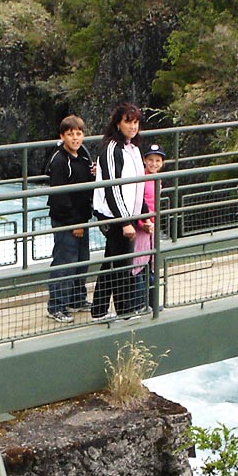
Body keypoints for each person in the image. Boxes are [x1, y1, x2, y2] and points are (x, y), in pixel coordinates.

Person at [91, 102, 148, 320]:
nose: (133, 127)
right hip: (114, 215)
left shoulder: (132, 148)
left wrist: (142, 214)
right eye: (128, 122)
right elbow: (112, 187)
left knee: (113, 261)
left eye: (135, 122)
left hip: (129, 214)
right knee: (121, 263)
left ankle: (100, 310)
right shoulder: (112, 150)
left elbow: (137, 186)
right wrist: (125, 221)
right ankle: (123, 311)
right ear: (118, 123)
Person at [44, 115, 95, 323]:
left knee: (82, 260)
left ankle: (76, 299)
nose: (75, 138)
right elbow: (60, 196)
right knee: (65, 262)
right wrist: (74, 222)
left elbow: (86, 182)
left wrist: (94, 173)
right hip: (67, 219)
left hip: (82, 216)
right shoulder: (59, 161)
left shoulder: (83, 155)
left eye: (78, 133)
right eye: (70, 134)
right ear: (62, 136)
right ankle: (56, 305)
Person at [130, 143, 165, 313]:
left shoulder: (157, 179)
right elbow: (137, 203)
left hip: (152, 226)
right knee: (139, 264)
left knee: (151, 263)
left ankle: (152, 301)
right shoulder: (141, 179)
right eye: (150, 160)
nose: (153, 163)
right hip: (143, 227)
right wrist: (142, 223)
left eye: (157, 160)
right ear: (144, 160)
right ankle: (138, 304)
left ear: (162, 163)